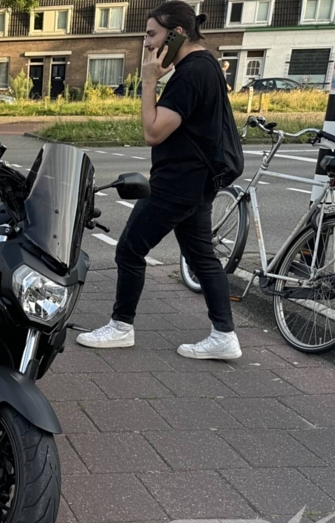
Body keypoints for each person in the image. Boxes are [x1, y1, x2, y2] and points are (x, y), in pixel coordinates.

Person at [77, 0, 241, 360]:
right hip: (197, 181)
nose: (148, 44)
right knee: (202, 257)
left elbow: (153, 131)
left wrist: (149, 80)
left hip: (178, 182)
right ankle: (224, 335)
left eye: (152, 34)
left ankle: (121, 326)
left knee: (130, 249)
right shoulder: (207, 65)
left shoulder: (192, 73)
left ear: (177, 33)